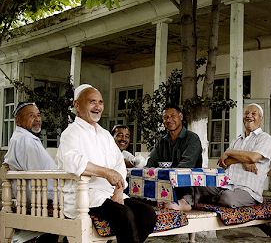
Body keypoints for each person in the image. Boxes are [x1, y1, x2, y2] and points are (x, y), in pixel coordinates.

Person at [56, 84, 156, 243]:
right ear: (77, 105)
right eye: (92, 101)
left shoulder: (105, 135)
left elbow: (119, 165)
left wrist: (118, 189)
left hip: (110, 193)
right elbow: (72, 161)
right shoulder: (71, 133)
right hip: (84, 195)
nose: (98, 107)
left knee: (147, 213)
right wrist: (105, 172)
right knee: (124, 214)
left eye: (101, 102)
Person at [175, 103, 271, 210]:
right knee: (198, 183)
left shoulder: (265, 138)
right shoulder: (237, 140)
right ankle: (184, 203)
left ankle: (206, 199)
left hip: (248, 190)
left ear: (261, 119)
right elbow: (224, 162)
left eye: (253, 113)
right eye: (246, 113)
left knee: (227, 198)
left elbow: (254, 157)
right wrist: (244, 161)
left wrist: (230, 152)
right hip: (226, 184)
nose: (249, 115)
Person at [3, 102, 59, 243]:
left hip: (42, 197)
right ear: (18, 119)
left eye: (38, 115)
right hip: (41, 200)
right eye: (31, 115)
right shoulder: (25, 140)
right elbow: (37, 175)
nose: (37, 119)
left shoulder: (25, 137)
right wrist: (50, 202)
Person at [146, 103, 202, 168]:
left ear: (181, 117)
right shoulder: (161, 142)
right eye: (165, 117)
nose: (169, 120)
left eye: (172, 116)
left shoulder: (192, 139)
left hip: (186, 177)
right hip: (164, 177)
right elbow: (151, 164)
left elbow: (185, 166)